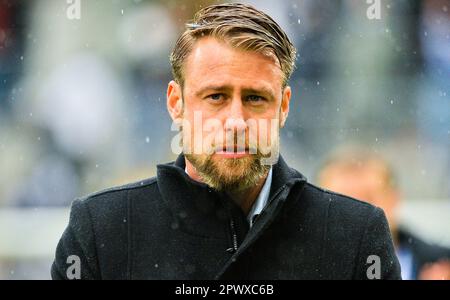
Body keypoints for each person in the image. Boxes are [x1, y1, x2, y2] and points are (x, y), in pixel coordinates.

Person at [51, 3, 400, 280]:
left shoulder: (354, 235)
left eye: (255, 98)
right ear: (176, 102)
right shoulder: (102, 231)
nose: (236, 121)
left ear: (283, 106)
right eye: (216, 96)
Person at [318, 146, 450, 280]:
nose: (355, 214)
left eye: (367, 200)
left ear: (394, 198)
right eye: (342, 203)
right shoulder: (300, 268)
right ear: (319, 207)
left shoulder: (444, 264)